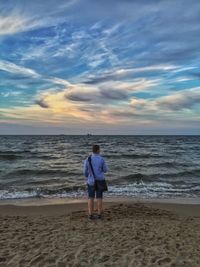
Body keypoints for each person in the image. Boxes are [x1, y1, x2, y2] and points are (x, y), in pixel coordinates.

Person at [83, 144, 108, 219]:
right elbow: (105, 170)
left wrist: (88, 176)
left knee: (90, 197)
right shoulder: (101, 159)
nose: (100, 150)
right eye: (99, 149)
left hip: (91, 181)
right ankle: (99, 214)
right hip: (100, 181)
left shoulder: (88, 159)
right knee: (99, 197)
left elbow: (84, 172)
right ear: (97, 150)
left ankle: (90, 214)